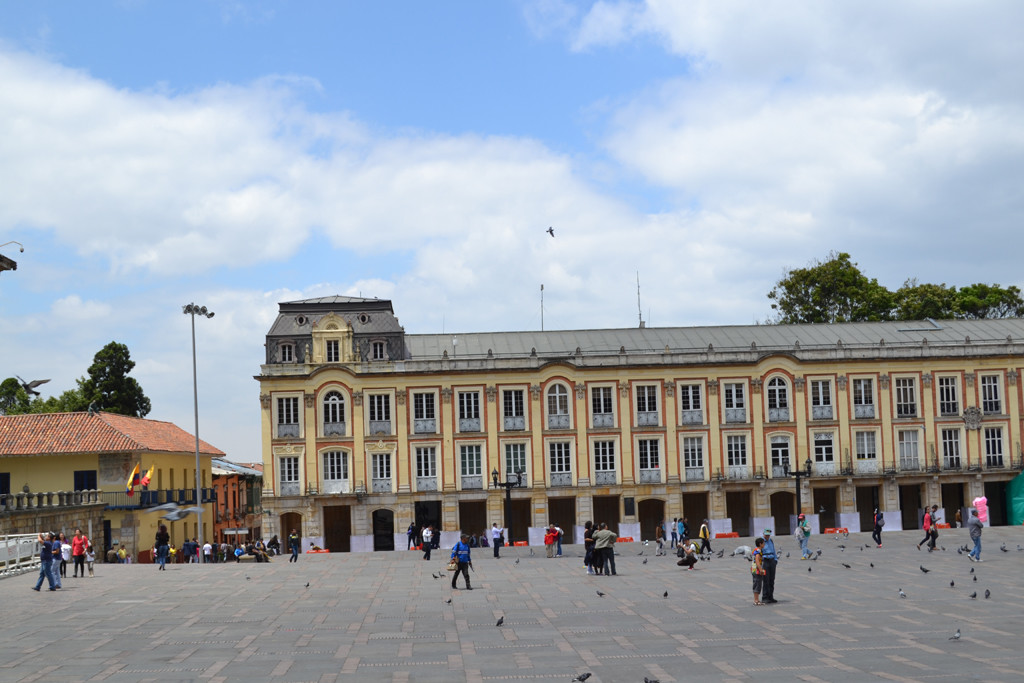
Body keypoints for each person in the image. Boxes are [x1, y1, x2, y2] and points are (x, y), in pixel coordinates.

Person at [760, 529, 778, 603]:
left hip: (772, 560)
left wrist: (775, 560)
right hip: (765, 560)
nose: (767, 536)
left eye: (768, 535)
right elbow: (759, 551)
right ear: (763, 534)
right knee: (766, 580)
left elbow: (773, 550)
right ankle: (765, 597)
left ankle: (771, 596)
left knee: (771, 579)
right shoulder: (761, 541)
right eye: (766, 535)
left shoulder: (771, 541)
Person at [751, 537, 766, 605]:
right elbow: (757, 560)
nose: (764, 544)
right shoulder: (758, 551)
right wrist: (761, 569)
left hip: (754, 569)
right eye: (763, 543)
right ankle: (756, 600)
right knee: (757, 583)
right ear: (760, 544)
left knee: (756, 583)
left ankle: (757, 600)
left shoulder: (756, 550)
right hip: (756, 569)